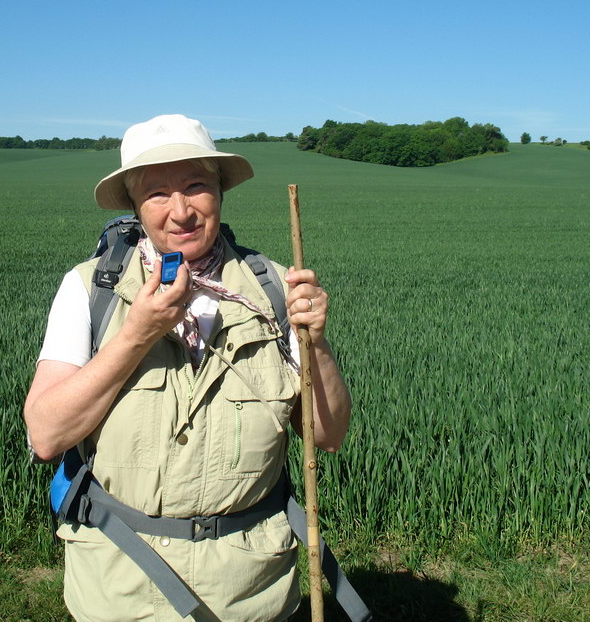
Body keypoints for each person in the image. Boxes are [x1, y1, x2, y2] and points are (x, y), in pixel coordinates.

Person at [24, 114, 353, 621]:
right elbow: (46, 436)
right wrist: (137, 334)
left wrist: (318, 345)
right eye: (156, 193)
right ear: (134, 205)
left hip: (253, 593)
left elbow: (328, 436)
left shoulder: (276, 291)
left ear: (220, 192)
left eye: (196, 186)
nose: (181, 212)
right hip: (122, 590)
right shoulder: (91, 289)